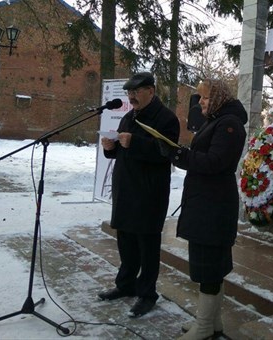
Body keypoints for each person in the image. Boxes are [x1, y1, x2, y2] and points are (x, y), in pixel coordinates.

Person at [158, 79, 247, 339]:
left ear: (218, 98)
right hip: (206, 201)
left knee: (210, 266)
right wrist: (179, 152)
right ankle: (212, 322)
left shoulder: (228, 124)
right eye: (200, 98)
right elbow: (206, 156)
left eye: (205, 98)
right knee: (210, 265)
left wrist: (178, 155)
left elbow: (216, 162)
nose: (201, 103)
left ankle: (205, 326)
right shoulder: (216, 121)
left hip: (214, 204)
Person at [98, 72, 180, 318]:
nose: (131, 97)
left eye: (135, 92)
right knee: (126, 242)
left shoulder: (166, 119)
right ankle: (126, 285)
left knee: (147, 246)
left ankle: (147, 294)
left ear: (151, 91)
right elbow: (123, 153)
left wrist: (134, 142)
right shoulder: (128, 117)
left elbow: (166, 152)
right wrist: (110, 149)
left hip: (149, 193)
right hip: (126, 190)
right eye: (129, 93)